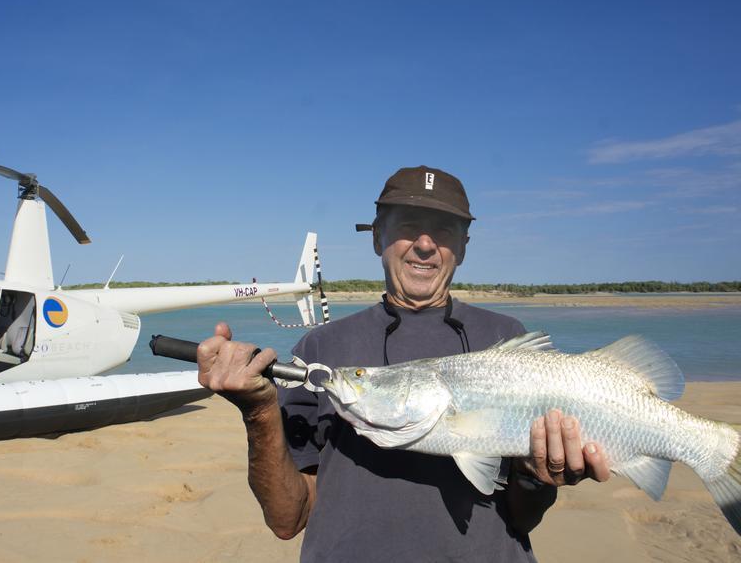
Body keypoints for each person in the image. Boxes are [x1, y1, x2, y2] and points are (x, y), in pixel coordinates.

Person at [197, 166, 611, 562]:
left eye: (444, 229)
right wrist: (259, 411)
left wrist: (537, 476)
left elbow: (523, 517)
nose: (426, 244)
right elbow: (288, 519)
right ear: (378, 238)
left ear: (464, 246)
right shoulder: (320, 347)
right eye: (408, 224)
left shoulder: (508, 343)